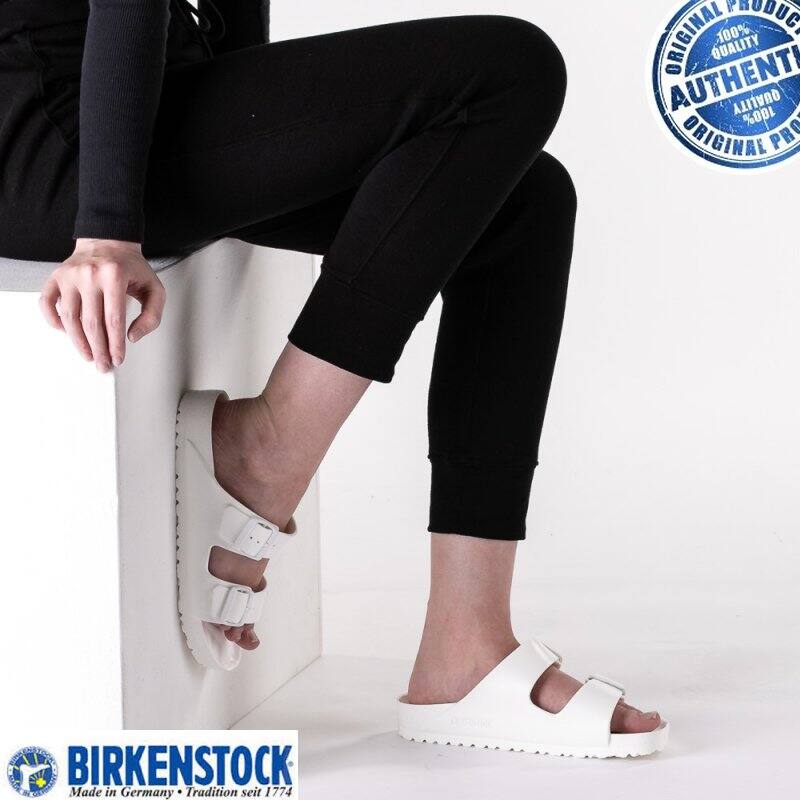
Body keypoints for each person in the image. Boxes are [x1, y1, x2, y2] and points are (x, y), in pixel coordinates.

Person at [0, 0, 663, 749]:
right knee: (511, 68)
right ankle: (265, 449)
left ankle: (467, 652)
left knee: (520, 201)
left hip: (151, 92)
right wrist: (106, 230)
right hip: (48, 128)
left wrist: (256, 111)